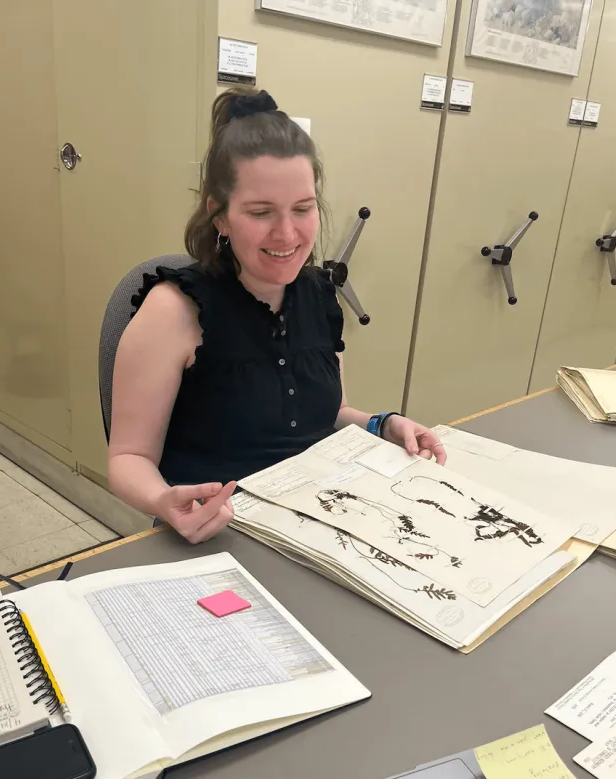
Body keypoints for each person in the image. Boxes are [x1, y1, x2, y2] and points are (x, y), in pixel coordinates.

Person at [107, 86, 446, 544]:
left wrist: (382, 425)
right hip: (213, 533)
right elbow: (128, 458)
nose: (286, 233)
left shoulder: (319, 296)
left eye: (303, 209)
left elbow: (330, 412)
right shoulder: (174, 309)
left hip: (315, 523)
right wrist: (162, 500)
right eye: (261, 212)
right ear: (219, 216)